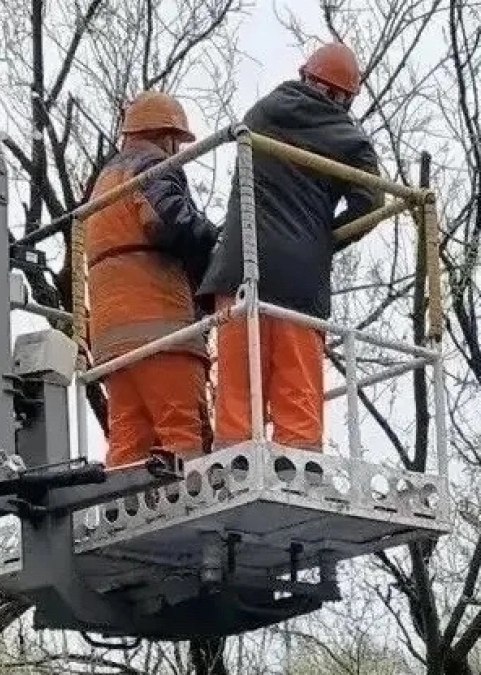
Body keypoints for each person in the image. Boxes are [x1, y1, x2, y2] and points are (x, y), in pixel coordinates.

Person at [198, 41, 384, 451]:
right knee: (297, 389)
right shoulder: (349, 139)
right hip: (299, 281)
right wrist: (323, 241)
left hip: (237, 270)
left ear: (305, 75)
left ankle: (235, 464)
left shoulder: (260, 114)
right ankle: (299, 471)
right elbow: (371, 203)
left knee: (238, 388)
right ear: (343, 95)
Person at [85, 90, 219, 467]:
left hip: (112, 337)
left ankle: (120, 514)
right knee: (184, 433)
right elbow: (169, 220)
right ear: (168, 136)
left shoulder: (103, 182)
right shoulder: (152, 164)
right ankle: (193, 512)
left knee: (128, 441)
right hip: (161, 328)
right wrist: (216, 241)